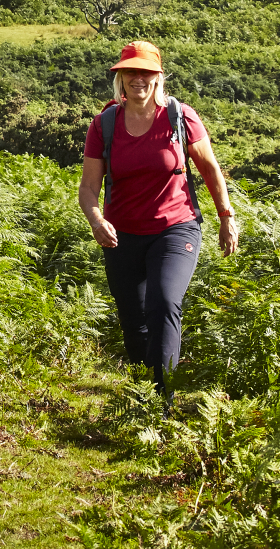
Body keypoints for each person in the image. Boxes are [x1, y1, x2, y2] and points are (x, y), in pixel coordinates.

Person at [78, 41, 239, 412]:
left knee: (164, 302)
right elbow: (88, 187)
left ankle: (161, 403)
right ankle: (144, 393)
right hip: (121, 234)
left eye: (146, 72)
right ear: (120, 78)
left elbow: (210, 169)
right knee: (133, 320)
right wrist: (96, 219)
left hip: (176, 227)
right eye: (131, 72)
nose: (139, 78)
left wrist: (226, 216)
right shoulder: (104, 125)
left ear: (158, 77)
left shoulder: (180, 117)